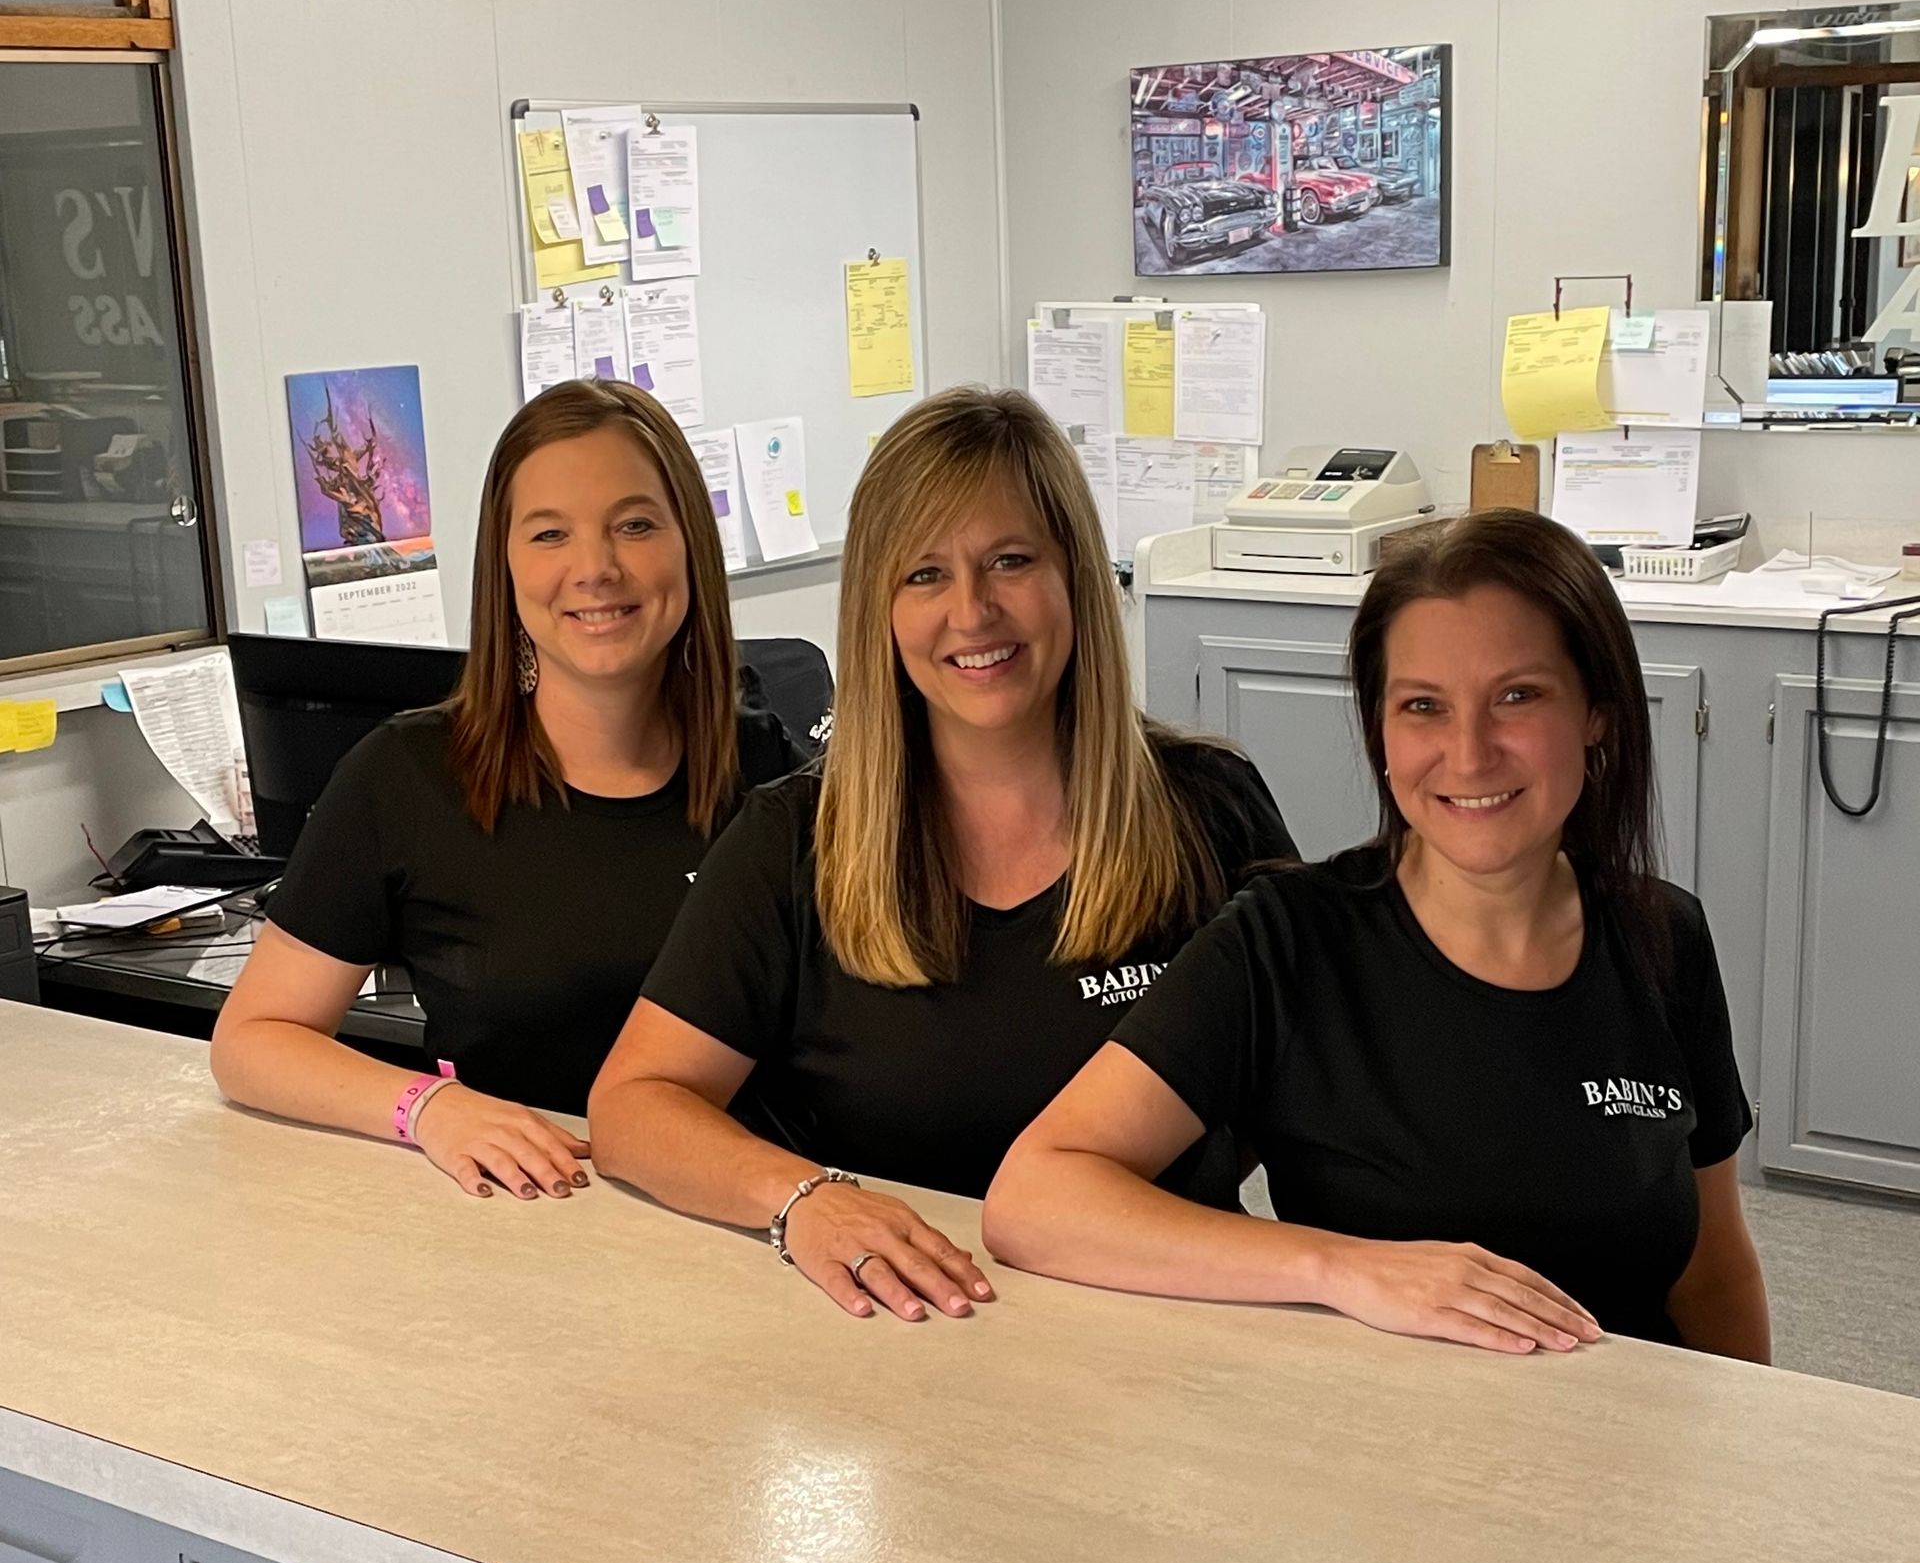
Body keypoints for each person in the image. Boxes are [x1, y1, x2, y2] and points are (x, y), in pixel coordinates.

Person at [985, 510, 1770, 1361]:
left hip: (1627, 1457)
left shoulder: (1667, 937)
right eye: (1423, 707)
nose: (1468, 755)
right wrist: (1341, 1268)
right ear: (1382, 734)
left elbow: (1712, 1272)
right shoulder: (1289, 943)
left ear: (1597, 716)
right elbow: (1034, 1196)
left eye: (1517, 696)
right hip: (1388, 1463)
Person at [589, 385, 1297, 1321]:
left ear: (1075, 576)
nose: (972, 611)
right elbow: (634, 1105)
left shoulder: (1209, 807)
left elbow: (1315, 1088)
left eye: (1010, 560)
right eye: (924, 575)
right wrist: (803, 1202)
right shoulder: (795, 843)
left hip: (1170, 1324)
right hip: (893, 1334)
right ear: (879, 609)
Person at [210, 380, 795, 1199]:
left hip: (748, 1219)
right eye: (550, 533)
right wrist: (430, 1108)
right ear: (506, 566)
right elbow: (252, 1039)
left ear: (689, 543)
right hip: (528, 1223)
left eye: (634, 524)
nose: (596, 568)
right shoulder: (409, 778)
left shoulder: (767, 770)